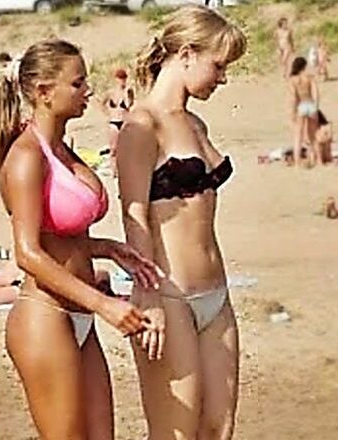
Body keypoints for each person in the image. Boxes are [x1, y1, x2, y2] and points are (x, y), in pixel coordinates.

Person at [0, 38, 163, 439]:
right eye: (78, 83)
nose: (88, 90)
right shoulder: (27, 156)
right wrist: (103, 304)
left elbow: (61, 236)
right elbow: (27, 253)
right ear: (44, 92)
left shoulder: (64, 150)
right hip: (44, 317)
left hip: (80, 317)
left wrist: (105, 247)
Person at [118, 6, 246, 439]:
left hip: (216, 295)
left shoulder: (195, 123)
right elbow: (134, 214)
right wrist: (149, 296)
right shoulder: (142, 124)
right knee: (175, 433)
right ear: (187, 53)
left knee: (218, 429)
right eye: (219, 65)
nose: (222, 78)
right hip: (169, 296)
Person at [100, 68, 135, 176]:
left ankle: (125, 170)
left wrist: (126, 95)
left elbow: (130, 105)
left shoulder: (128, 91)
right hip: (114, 121)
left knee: (126, 148)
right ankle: (114, 170)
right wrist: (108, 113)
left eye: (124, 79)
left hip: (124, 121)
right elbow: (102, 103)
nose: (122, 81)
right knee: (113, 148)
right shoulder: (111, 93)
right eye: (120, 79)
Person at [289, 56, 321, 167]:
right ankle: (317, 159)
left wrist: (293, 111)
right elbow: (316, 93)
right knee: (313, 135)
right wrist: (316, 107)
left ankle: (297, 161)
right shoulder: (309, 78)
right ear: (304, 66)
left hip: (301, 106)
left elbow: (294, 97)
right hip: (310, 104)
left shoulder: (293, 80)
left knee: (298, 135)